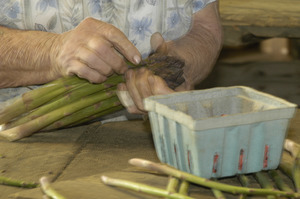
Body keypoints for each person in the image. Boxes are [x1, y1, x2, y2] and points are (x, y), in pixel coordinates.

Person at [0, 0, 223, 114]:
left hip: (146, 136)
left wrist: (176, 66)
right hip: (16, 129)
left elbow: (203, 29)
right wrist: (50, 51)